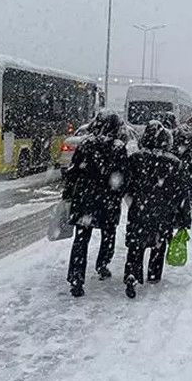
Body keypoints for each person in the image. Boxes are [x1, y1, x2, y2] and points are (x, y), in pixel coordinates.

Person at [124, 120, 192, 299]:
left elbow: (126, 184)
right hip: (163, 211)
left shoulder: (135, 159)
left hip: (139, 209)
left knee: (135, 245)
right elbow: (182, 194)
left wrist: (132, 199)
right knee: (158, 244)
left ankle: (132, 274)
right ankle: (153, 275)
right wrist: (185, 219)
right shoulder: (174, 163)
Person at [63, 112, 128, 298]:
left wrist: (68, 194)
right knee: (108, 233)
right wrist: (117, 192)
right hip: (108, 200)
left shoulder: (85, 145)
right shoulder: (118, 148)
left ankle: (76, 277)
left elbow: (73, 172)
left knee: (81, 238)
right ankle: (102, 264)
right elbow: (123, 177)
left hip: (84, 199)